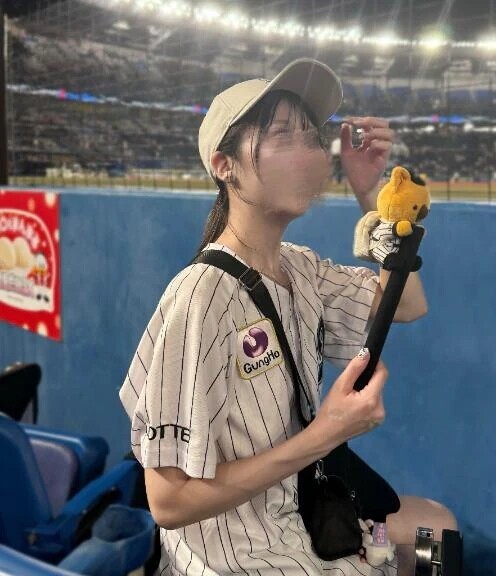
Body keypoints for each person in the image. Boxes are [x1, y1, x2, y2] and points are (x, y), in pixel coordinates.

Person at [120, 58, 456, 576]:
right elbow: (169, 502)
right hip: (240, 555)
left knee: (438, 528)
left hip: (301, 513)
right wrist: (324, 434)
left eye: (312, 138)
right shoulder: (200, 298)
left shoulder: (299, 268)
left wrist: (373, 195)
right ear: (224, 165)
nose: (309, 153)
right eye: (282, 135)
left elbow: (408, 303)